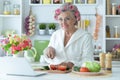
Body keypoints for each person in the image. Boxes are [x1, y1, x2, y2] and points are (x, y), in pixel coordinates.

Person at [42, 3, 94, 69]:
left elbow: (88, 60)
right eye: (60, 19)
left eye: (67, 19)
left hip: (75, 75)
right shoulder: (55, 34)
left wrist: (72, 64)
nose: (63, 22)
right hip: (55, 74)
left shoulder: (85, 37)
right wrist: (48, 50)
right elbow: (47, 58)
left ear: (75, 19)